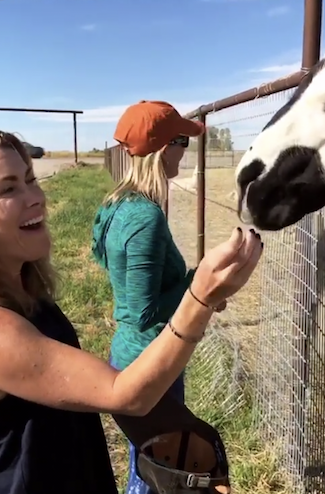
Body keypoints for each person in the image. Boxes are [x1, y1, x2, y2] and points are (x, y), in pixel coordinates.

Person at [0, 127, 262, 494]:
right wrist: (199, 297)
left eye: (31, 180)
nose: (36, 197)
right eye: (8, 188)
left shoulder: (28, 298)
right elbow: (127, 391)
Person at [91, 100, 227, 494]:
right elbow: (143, 310)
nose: (185, 149)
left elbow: (111, 266)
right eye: (181, 140)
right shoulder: (145, 217)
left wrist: (192, 288)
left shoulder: (117, 205)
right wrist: (200, 287)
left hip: (134, 356)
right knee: (161, 474)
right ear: (162, 149)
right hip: (151, 363)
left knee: (149, 467)